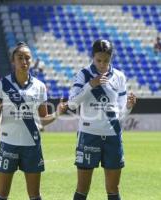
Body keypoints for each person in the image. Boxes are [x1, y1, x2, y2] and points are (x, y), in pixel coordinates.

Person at [0, 42, 68, 200]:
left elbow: (42, 120)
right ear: (13, 61)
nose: (24, 61)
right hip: (8, 143)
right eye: (20, 58)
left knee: (35, 195)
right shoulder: (2, 84)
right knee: (2, 194)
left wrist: (57, 113)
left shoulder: (40, 86)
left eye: (27, 58)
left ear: (31, 61)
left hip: (32, 145)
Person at [68, 39, 137, 200]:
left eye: (106, 60)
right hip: (89, 135)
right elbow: (72, 104)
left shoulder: (119, 76)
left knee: (113, 189)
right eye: (98, 60)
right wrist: (91, 85)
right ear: (92, 57)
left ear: (111, 58)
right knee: (82, 188)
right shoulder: (84, 75)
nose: (102, 64)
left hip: (113, 136)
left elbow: (120, 114)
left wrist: (128, 106)